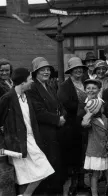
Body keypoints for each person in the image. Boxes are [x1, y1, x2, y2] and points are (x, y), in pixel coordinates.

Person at [0, 67, 54, 196]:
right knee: (39, 171)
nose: (32, 82)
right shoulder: (7, 98)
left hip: (31, 139)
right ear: (22, 82)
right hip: (18, 143)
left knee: (35, 174)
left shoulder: (26, 96)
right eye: (30, 79)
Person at [27, 57, 66, 195]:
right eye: (42, 70)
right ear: (35, 72)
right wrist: (57, 119)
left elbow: (59, 105)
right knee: (47, 165)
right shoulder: (32, 89)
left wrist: (62, 116)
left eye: (48, 69)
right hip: (43, 133)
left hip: (55, 132)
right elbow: (38, 112)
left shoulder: (50, 86)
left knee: (55, 164)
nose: (46, 72)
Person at [57, 57, 89, 195]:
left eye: (80, 68)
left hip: (87, 125)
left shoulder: (86, 82)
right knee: (74, 156)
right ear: (70, 71)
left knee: (85, 154)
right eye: (75, 69)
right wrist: (84, 107)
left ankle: (82, 182)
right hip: (72, 126)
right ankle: (73, 185)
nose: (78, 70)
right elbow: (65, 104)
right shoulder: (64, 86)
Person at [82, 98, 108, 196]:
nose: (103, 107)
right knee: (95, 174)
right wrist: (89, 112)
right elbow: (84, 123)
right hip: (96, 151)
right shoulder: (90, 120)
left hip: (106, 150)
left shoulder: (104, 117)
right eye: (101, 106)